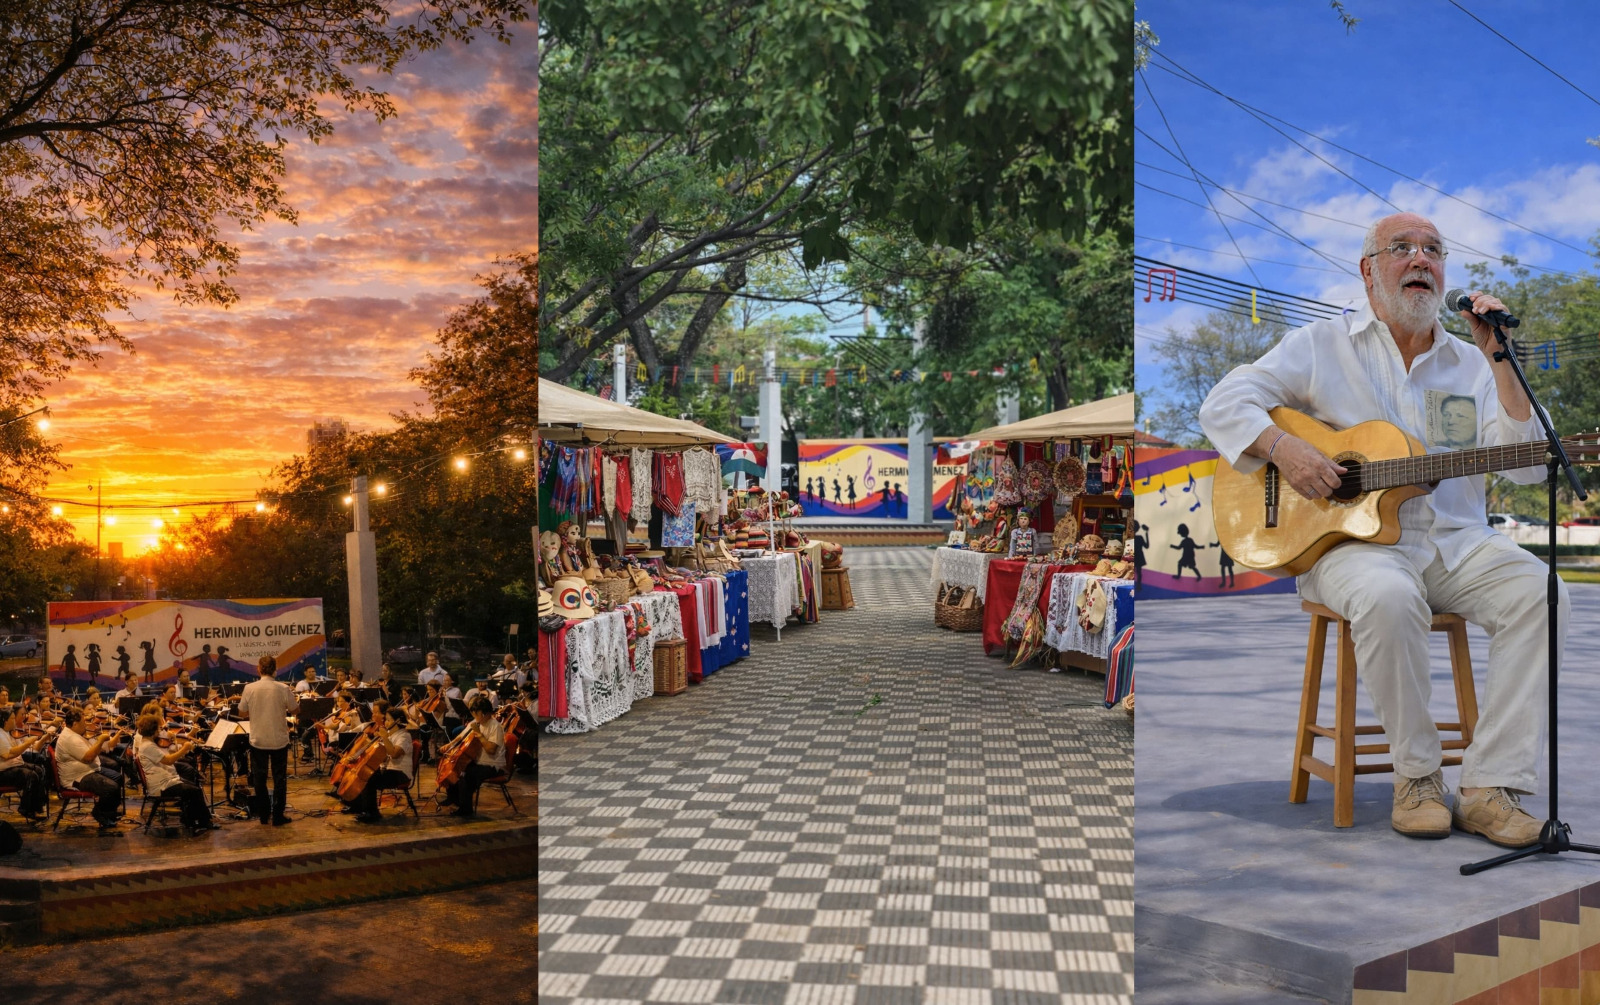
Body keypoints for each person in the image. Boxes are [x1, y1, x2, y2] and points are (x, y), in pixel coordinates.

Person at [1199, 211, 1559, 848]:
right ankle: (1418, 777)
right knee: (1389, 596)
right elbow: (1223, 402)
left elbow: (1532, 470)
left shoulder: (1476, 363)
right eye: (1403, 248)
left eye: (1433, 250)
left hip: (1457, 542)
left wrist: (1501, 360)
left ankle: (1488, 788)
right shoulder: (1320, 346)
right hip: (1351, 546)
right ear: (1369, 271)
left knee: (1543, 591)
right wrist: (1286, 449)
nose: (1421, 260)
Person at [235, 655, 296, 825]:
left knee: (259, 779)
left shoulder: (249, 688)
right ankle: (278, 816)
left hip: (258, 740)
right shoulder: (283, 688)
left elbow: (241, 713)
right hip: (279, 740)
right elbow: (295, 709)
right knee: (279, 779)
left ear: (259, 669)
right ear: (275, 669)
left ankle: (263, 815)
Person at [133, 714, 214, 834]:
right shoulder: (148, 746)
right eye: (159, 729)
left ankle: (191, 820)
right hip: (161, 785)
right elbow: (169, 760)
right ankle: (204, 822)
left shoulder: (149, 743)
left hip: (164, 781)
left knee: (192, 787)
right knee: (195, 791)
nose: (160, 731)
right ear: (153, 730)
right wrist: (185, 748)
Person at [54, 707, 127, 833]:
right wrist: (99, 740)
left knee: (118, 778)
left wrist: (98, 737)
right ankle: (100, 813)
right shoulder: (69, 738)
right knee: (111, 787)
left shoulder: (75, 734)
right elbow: (88, 757)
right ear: (75, 724)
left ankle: (109, 812)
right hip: (77, 778)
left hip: (89, 770)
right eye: (83, 722)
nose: (85, 725)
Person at [342, 702, 413, 824]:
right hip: (387, 770)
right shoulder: (390, 735)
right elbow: (380, 756)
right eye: (386, 720)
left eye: (389, 720)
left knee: (369, 777)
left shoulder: (404, 736)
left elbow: (394, 754)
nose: (386, 723)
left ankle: (372, 813)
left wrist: (384, 738)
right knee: (364, 773)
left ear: (398, 721)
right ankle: (359, 806)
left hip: (400, 773)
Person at [438, 698, 504, 818]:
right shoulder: (476, 722)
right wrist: (449, 745)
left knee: (466, 774)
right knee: (454, 767)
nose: (474, 716)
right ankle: (454, 798)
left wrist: (479, 734)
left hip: (491, 765)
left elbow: (491, 750)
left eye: (475, 713)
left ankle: (465, 808)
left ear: (483, 712)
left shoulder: (495, 726)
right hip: (476, 761)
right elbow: (460, 737)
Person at [0, 704, 49, 821]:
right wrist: (28, 742)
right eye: (12, 719)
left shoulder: (10, 732)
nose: (14, 721)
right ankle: (25, 808)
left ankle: (36, 807)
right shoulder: (0, 734)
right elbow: (9, 754)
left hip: (13, 766)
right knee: (30, 775)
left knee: (39, 770)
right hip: (3, 771)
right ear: (5, 720)